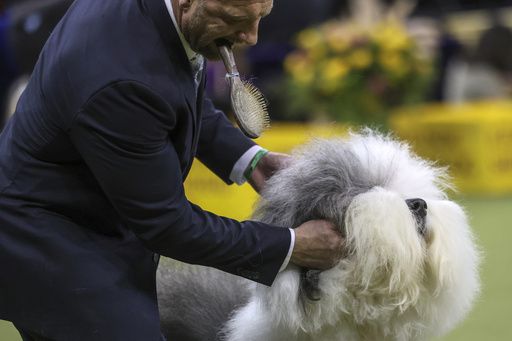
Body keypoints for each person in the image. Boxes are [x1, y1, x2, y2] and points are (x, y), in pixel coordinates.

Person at [0, 0, 344, 340]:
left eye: (260, 18)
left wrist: (249, 157)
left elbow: (172, 93)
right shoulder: (121, 75)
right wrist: (290, 245)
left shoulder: (159, 21)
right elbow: (170, 225)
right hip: (47, 239)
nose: (252, 36)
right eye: (235, 18)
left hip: (86, 216)